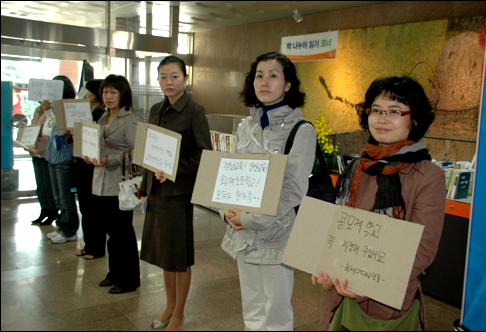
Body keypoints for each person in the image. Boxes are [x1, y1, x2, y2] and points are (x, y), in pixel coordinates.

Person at [313, 76, 446, 331]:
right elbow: (337, 227)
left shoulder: (428, 175)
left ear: (414, 118)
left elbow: (423, 249)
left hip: (387, 304)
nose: (382, 118)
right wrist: (324, 264)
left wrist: (361, 281)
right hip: (340, 295)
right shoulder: (356, 167)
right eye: (376, 110)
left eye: (395, 111)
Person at [220, 52, 317, 331]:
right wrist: (226, 211)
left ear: (288, 85)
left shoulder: (301, 130)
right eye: (259, 75)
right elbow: (230, 174)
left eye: (273, 75)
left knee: (276, 312)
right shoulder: (246, 126)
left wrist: (249, 218)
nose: (265, 81)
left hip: (276, 235)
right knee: (251, 308)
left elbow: (293, 189)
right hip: (243, 235)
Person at [139, 56, 212, 331]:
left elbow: (204, 154)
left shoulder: (194, 110)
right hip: (157, 192)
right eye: (162, 77)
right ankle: (169, 305)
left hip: (178, 193)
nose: (168, 82)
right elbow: (150, 149)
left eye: (174, 76)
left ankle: (179, 313)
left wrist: (174, 169)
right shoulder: (156, 108)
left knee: (178, 256)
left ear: (185, 78)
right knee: (164, 254)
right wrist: (145, 188)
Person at [85, 74, 141, 294]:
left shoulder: (130, 120)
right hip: (101, 183)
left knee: (122, 233)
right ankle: (114, 273)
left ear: (123, 95)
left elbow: (137, 152)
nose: (108, 96)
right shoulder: (102, 118)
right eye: (105, 92)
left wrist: (111, 159)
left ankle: (128, 280)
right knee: (111, 232)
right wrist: (90, 155)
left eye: (113, 92)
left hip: (120, 183)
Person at [44, 75, 80, 244]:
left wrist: (49, 110)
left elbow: (60, 130)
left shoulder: (70, 108)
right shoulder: (53, 106)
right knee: (58, 196)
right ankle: (61, 225)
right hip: (53, 156)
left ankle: (69, 229)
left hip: (64, 157)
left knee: (65, 196)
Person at [74, 79, 106, 259]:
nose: (84, 94)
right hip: (81, 162)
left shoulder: (101, 115)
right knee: (85, 208)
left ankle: (97, 247)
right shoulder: (82, 113)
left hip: (94, 166)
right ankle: (88, 244)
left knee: (94, 209)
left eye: (88, 91)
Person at [27, 99, 59, 226]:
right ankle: (44, 210)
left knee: (48, 184)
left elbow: (50, 133)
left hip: (46, 151)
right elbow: (34, 128)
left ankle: (53, 211)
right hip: (35, 150)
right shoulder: (38, 109)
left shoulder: (54, 109)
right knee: (40, 185)